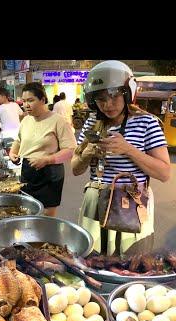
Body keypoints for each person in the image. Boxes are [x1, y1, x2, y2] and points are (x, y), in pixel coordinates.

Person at [71, 60, 170, 255]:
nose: (107, 105)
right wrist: (87, 154)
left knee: (131, 261)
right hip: (95, 204)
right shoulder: (92, 123)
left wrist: (128, 149)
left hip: (130, 205)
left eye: (114, 97)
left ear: (127, 93)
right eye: (100, 99)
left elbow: (164, 172)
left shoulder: (147, 123)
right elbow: (75, 168)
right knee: (93, 258)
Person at [9, 82, 77, 217]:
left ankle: (45, 238)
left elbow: (70, 149)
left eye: (30, 100)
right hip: (28, 169)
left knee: (46, 213)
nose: (26, 105)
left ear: (43, 100)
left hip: (50, 172)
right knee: (27, 209)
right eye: (23, 101)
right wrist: (12, 152)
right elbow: (19, 140)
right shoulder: (26, 120)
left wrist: (47, 160)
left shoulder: (58, 121)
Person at [0, 87, 24, 171]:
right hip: (19, 135)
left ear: (4, 96)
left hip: (5, 135)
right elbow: (22, 115)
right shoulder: (15, 105)